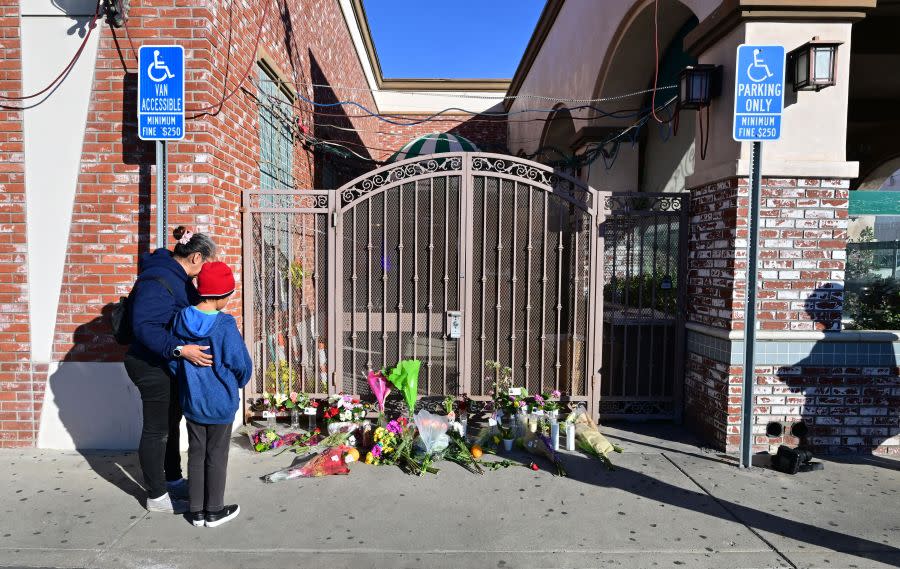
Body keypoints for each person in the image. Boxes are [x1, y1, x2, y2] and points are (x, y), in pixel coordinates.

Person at [124, 226, 216, 514]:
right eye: (206, 263)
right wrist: (181, 350)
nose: (205, 270)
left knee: (170, 422)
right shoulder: (158, 278)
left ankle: (172, 479)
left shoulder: (177, 275)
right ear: (196, 257)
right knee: (157, 430)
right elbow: (145, 327)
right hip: (150, 364)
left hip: (167, 363)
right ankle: (156, 496)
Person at [169, 261, 251, 527]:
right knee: (216, 455)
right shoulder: (225, 325)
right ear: (221, 295)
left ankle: (196, 511)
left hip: (193, 399)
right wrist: (238, 381)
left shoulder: (181, 318)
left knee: (196, 453)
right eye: (228, 295)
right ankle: (214, 511)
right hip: (220, 401)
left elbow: (173, 358)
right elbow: (240, 364)